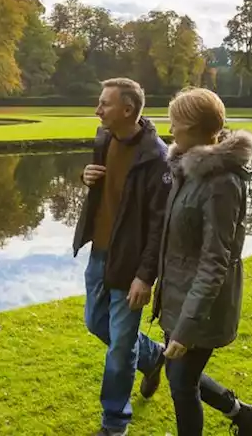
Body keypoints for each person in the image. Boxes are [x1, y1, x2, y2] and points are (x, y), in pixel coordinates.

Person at [151, 87, 252, 435]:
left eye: (175, 123)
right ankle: (246, 416)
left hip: (202, 305)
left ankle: (246, 416)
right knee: (179, 374)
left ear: (192, 127)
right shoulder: (188, 170)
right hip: (178, 296)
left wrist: (186, 328)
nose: (170, 130)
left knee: (181, 382)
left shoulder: (222, 182)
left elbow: (214, 261)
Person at [74, 78, 173, 436]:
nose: (97, 110)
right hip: (99, 255)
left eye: (104, 104)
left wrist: (146, 276)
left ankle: (114, 424)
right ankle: (152, 356)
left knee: (119, 350)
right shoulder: (103, 140)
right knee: (94, 323)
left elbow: (159, 226)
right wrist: (86, 178)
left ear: (127, 110)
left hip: (130, 264)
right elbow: (107, 193)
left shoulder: (156, 158)